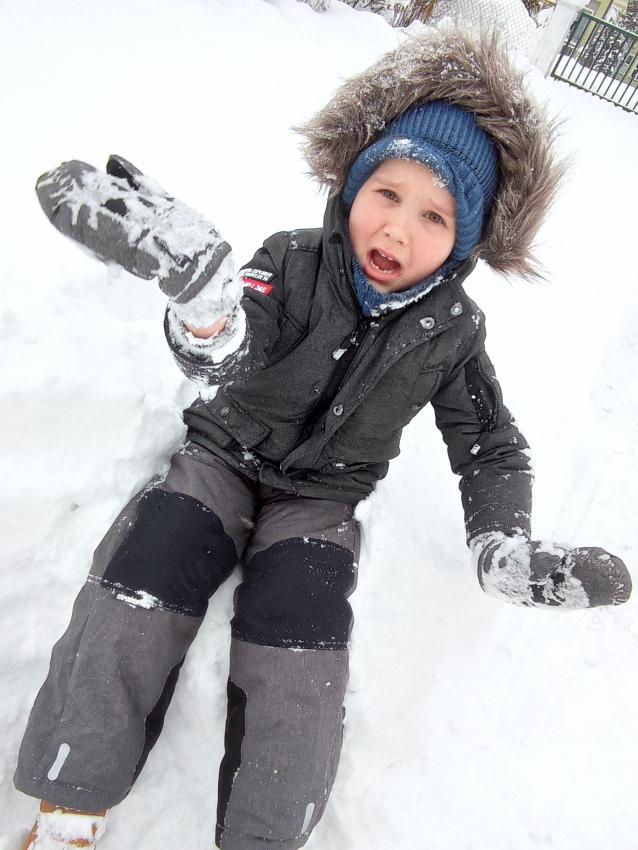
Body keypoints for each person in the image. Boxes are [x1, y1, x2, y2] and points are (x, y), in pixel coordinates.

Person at [15, 27, 631, 850]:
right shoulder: (292, 260)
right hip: (220, 459)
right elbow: (237, 345)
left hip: (320, 503)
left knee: (299, 646)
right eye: (387, 193)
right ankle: (68, 804)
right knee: (143, 575)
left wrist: (499, 542)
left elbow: (490, 443)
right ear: (351, 184)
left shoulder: (453, 330)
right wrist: (205, 308)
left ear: (466, 241)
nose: (398, 230)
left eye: (435, 215)